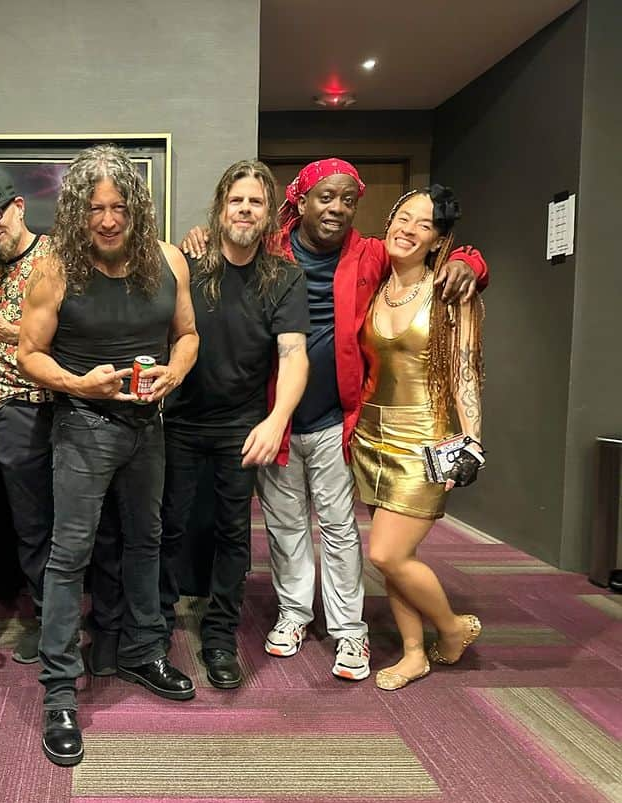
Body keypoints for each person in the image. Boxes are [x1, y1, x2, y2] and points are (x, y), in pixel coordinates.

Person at [182, 158, 487, 681]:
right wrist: (199, 235)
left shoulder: (368, 252)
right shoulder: (269, 248)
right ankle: (295, 613)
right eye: (327, 197)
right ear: (300, 201)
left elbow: (433, 249)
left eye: (348, 199)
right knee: (284, 526)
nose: (338, 208)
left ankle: (350, 631)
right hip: (271, 416)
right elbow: (225, 240)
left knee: (340, 528)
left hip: (335, 418)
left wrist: (467, 260)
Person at [19, 144, 199, 767]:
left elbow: (188, 334)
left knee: (146, 541)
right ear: (77, 211)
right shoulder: (54, 268)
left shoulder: (167, 259)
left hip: (147, 425)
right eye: (94, 208)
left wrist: (175, 371)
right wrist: (77, 382)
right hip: (84, 424)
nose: (107, 220)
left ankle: (144, 651)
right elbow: (29, 354)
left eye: (118, 206)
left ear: (136, 209)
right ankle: (60, 693)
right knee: (69, 558)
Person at [0, 171, 123, 672]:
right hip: (12, 410)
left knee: (91, 524)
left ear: (19, 207)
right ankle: (52, 622)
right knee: (32, 529)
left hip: (69, 406)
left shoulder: (63, 256)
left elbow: (85, 330)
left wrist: (12, 332)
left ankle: (107, 625)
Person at [159, 160, 309, 690]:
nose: (245, 209)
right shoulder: (189, 265)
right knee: (168, 527)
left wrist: (276, 420)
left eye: (256, 202)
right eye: (236, 200)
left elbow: (293, 355)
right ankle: (157, 628)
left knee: (231, 533)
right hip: (178, 421)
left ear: (269, 214)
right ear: (221, 208)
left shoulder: (284, 277)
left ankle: (219, 635)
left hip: (241, 426)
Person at [352, 184, 485, 690]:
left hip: (425, 437)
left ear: (438, 240)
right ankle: (413, 653)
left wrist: (471, 441)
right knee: (396, 559)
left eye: (423, 225)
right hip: (370, 433)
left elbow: (467, 372)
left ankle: (452, 628)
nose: (407, 229)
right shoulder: (376, 284)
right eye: (402, 217)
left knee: (386, 553)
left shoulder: (452, 292)